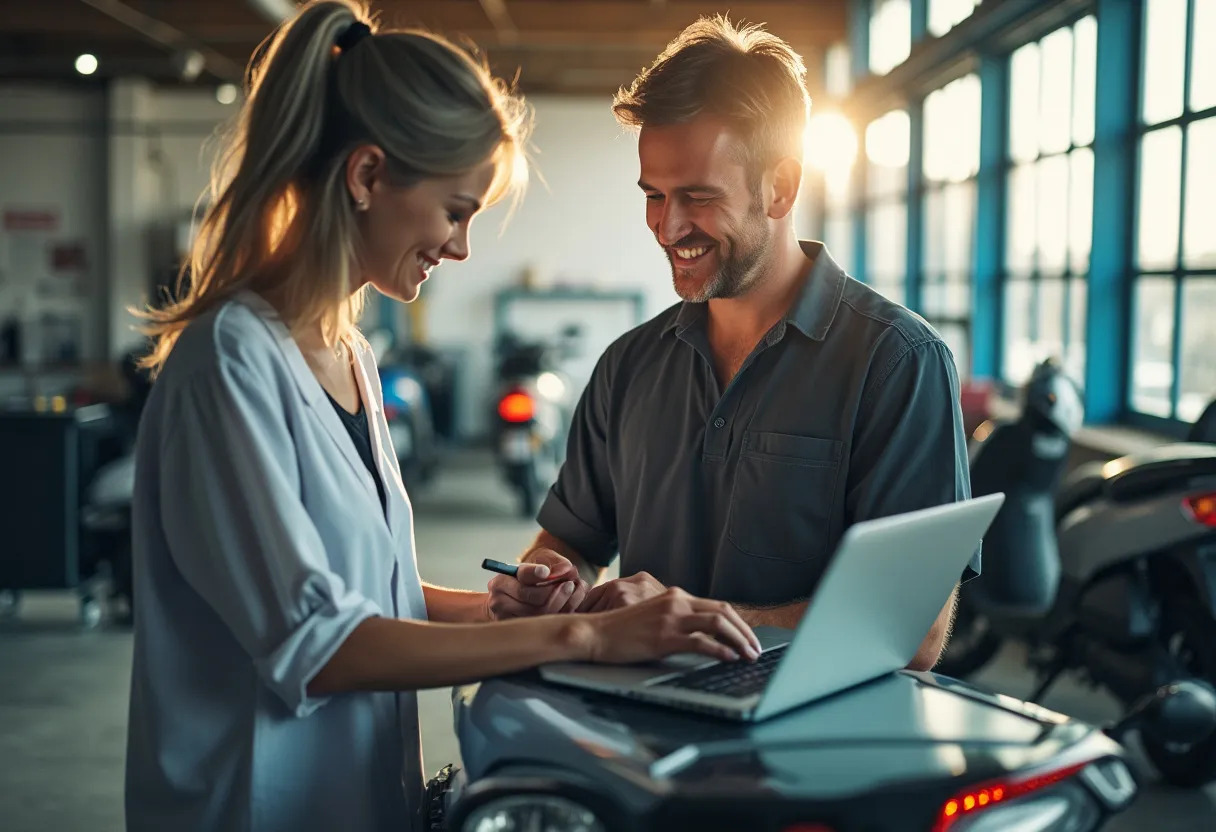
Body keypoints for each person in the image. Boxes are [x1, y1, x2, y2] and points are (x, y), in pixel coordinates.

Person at [123, 3, 759, 831]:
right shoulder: (230, 362)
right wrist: (587, 643)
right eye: (455, 210)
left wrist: (518, 608)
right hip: (252, 804)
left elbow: (366, 592)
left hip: (352, 798)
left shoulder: (347, 353)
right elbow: (320, 644)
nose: (459, 247)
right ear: (365, 177)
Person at [485, 16, 978, 672]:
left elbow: (911, 635)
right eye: (654, 196)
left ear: (781, 185)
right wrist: (544, 579)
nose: (668, 226)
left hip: (814, 749)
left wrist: (694, 619)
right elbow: (568, 542)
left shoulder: (898, 363)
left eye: (697, 196)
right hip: (641, 734)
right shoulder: (628, 365)